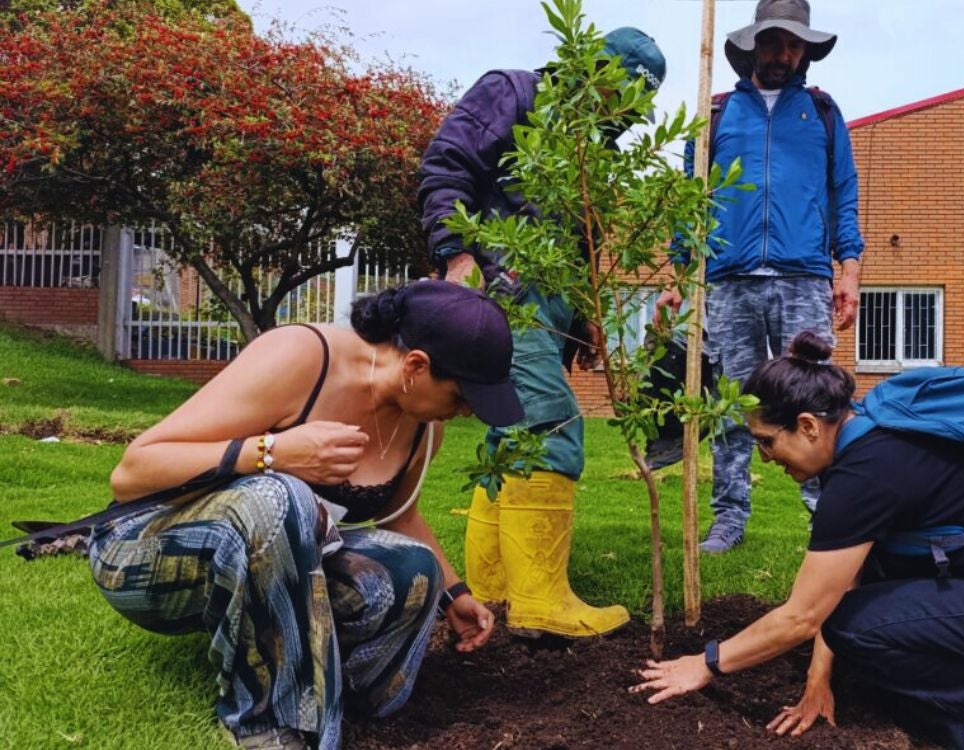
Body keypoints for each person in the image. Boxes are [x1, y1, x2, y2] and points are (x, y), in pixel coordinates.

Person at [89, 280, 517, 750]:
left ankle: (350, 696)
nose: (465, 413)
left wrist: (452, 593)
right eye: (461, 397)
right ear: (416, 365)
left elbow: (401, 517)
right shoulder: (300, 357)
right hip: (144, 552)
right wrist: (274, 452)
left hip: (258, 564)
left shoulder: (423, 428)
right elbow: (132, 473)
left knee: (412, 564)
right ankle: (271, 725)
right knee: (280, 496)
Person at [632, 332, 964, 750]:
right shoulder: (875, 440)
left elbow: (803, 616)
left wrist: (706, 664)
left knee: (857, 631)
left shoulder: (865, 476)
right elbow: (848, 579)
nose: (766, 457)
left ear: (809, 425)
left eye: (767, 441)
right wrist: (818, 678)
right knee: (866, 617)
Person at [417, 27, 667, 637]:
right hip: (505, 297)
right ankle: (541, 602)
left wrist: (584, 321)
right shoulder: (514, 93)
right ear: (595, 72)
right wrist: (455, 254)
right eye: (619, 97)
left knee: (512, 439)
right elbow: (447, 163)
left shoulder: (591, 151)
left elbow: (579, 243)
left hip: (549, 312)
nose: (621, 117)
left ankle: (498, 594)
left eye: (633, 109)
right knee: (548, 424)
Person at [655, 0, 864, 554]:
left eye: (795, 44)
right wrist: (680, 276)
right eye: (774, 42)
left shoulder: (821, 113)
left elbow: (844, 193)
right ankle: (728, 518)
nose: (784, 54)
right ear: (753, 44)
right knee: (732, 403)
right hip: (729, 279)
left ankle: (831, 513)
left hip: (803, 278)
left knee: (820, 401)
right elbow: (688, 202)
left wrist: (850, 271)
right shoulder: (717, 113)